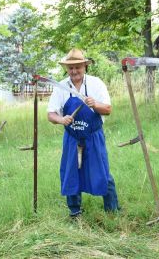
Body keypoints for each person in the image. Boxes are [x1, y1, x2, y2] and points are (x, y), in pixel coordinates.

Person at [47, 48, 119, 217]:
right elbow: (50, 114)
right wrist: (61, 119)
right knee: (70, 173)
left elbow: (107, 109)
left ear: (85, 66)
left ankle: (112, 209)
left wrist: (95, 104)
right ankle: (74, 211)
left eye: (77, 67)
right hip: (72, 138)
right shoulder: (61, 87)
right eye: (70, 68)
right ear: (66, 69)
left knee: (102, 172)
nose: (74, 71)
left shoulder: (96, 84)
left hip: (93, 136)